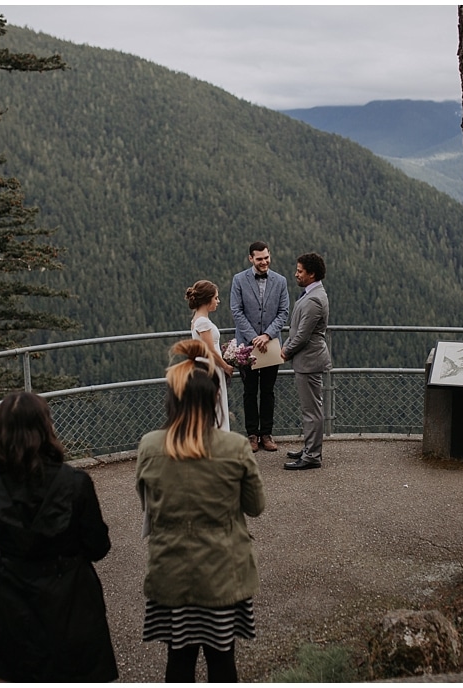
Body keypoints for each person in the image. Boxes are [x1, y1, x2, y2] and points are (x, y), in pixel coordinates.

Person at [138, 338, 265, 681]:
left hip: (170, 572)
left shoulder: (149, 447)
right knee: (223, 661)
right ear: (214, 399)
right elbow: (255, 507)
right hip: (222, 572)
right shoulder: (235, 447)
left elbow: (148, 505)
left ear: (173, 398)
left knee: (178, 660)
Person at [0, 391, 119, 682]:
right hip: (71, 598)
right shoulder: (76, 483)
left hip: (9, 594)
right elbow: (98, 547)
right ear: (45, 427)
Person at [229, 242, 292, 453]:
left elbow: (284, 312)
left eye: (266, 257)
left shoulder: (281, 281)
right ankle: (251, 436)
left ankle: (267, 434)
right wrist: (254, 338)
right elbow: (236, 312)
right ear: (251, 259)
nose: (264, 262)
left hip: (271, 346)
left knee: (268, 391)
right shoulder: (239, 280)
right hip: (246, 347)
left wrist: (267, 335)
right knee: (249, 391)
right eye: (259, 259)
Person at [281, 253, 331, 471]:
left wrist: (285, 352)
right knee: (310, 408)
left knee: (311, 410)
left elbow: (302, 335)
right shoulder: (314, 294)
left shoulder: (313, 299)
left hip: (309, 361)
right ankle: (310, 448)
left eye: (300, 271)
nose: (296, 274)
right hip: (307, 360)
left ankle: (312, 456)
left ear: (311, 274)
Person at [187, 280, 236, 433]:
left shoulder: (197, 319)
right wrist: (226, 366)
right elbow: (210, 350)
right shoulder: (202, 322)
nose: (218, 301)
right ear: (208, 299)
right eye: (216, 298)